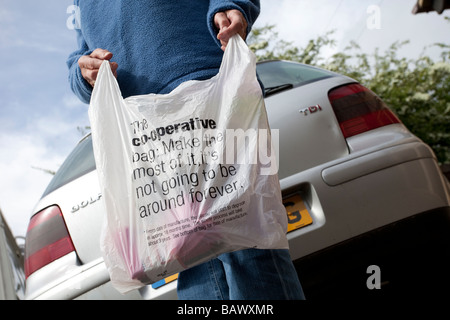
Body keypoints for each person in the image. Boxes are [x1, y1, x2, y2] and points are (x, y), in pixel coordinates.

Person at [67, 0, 305, 300]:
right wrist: (85, 71)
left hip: (214, 92)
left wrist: (231, 6)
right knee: (187, 255)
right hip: (143, 126)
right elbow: (78, 58)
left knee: (248, 243)